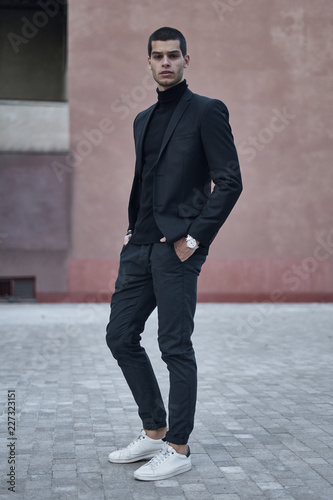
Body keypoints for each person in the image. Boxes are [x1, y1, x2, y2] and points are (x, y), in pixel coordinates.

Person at [106, 26, 242, 481]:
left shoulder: (206, 112)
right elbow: (145, 182)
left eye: (173, 55)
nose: (165, 62)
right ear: (148, 62)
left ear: (186, 59)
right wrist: (131, 230)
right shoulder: (142, 119)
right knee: (121, 336)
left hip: (176, 250)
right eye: (157, 56)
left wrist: (194, 239)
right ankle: (153, 429)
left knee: (174, 346)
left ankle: (178, 446)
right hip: (139, 246)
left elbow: (230, 182)